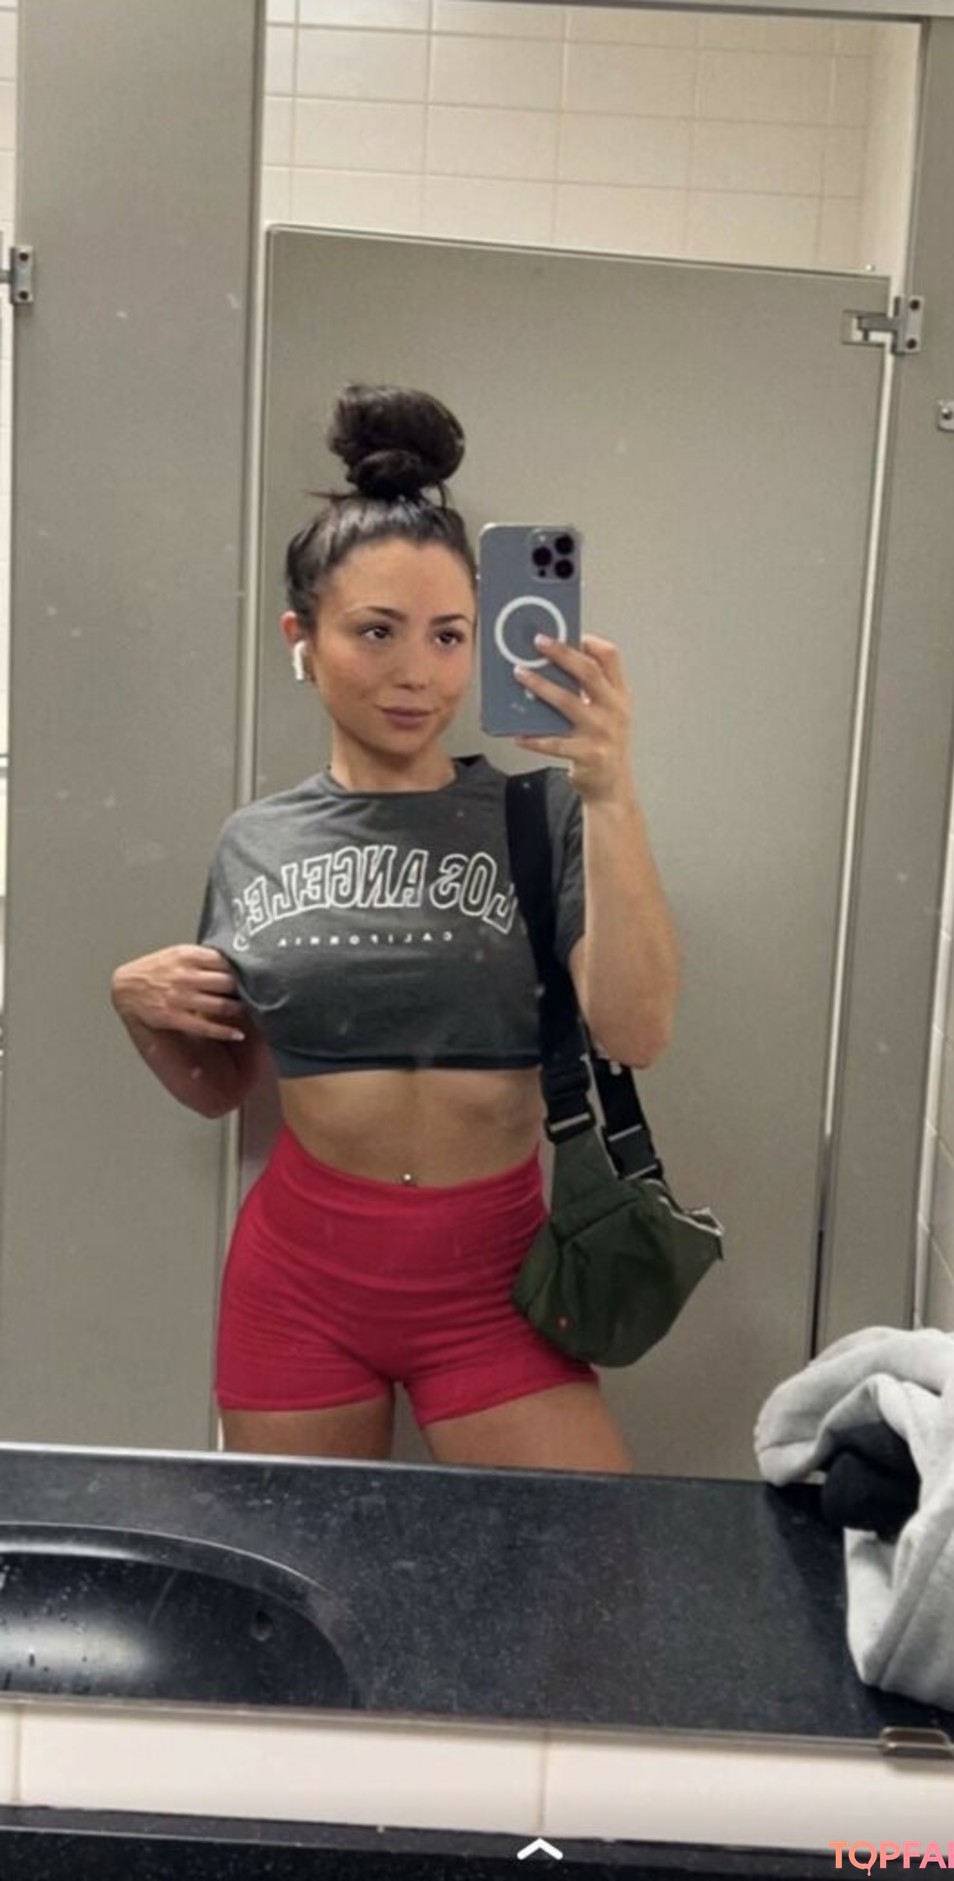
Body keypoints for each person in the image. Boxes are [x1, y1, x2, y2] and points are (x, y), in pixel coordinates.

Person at [110, 383, 680, 1473]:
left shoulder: (540, 815)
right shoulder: (255, 841)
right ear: (303, 639)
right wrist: (137, 1009)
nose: (417, 672)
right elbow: (221, 1087)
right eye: (376, 631)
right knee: (298, 1566)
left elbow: (637, 1031)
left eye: (449, 636)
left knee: (579, 1561)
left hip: (498, 1286)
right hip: (299, 1287)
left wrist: (611, 792)